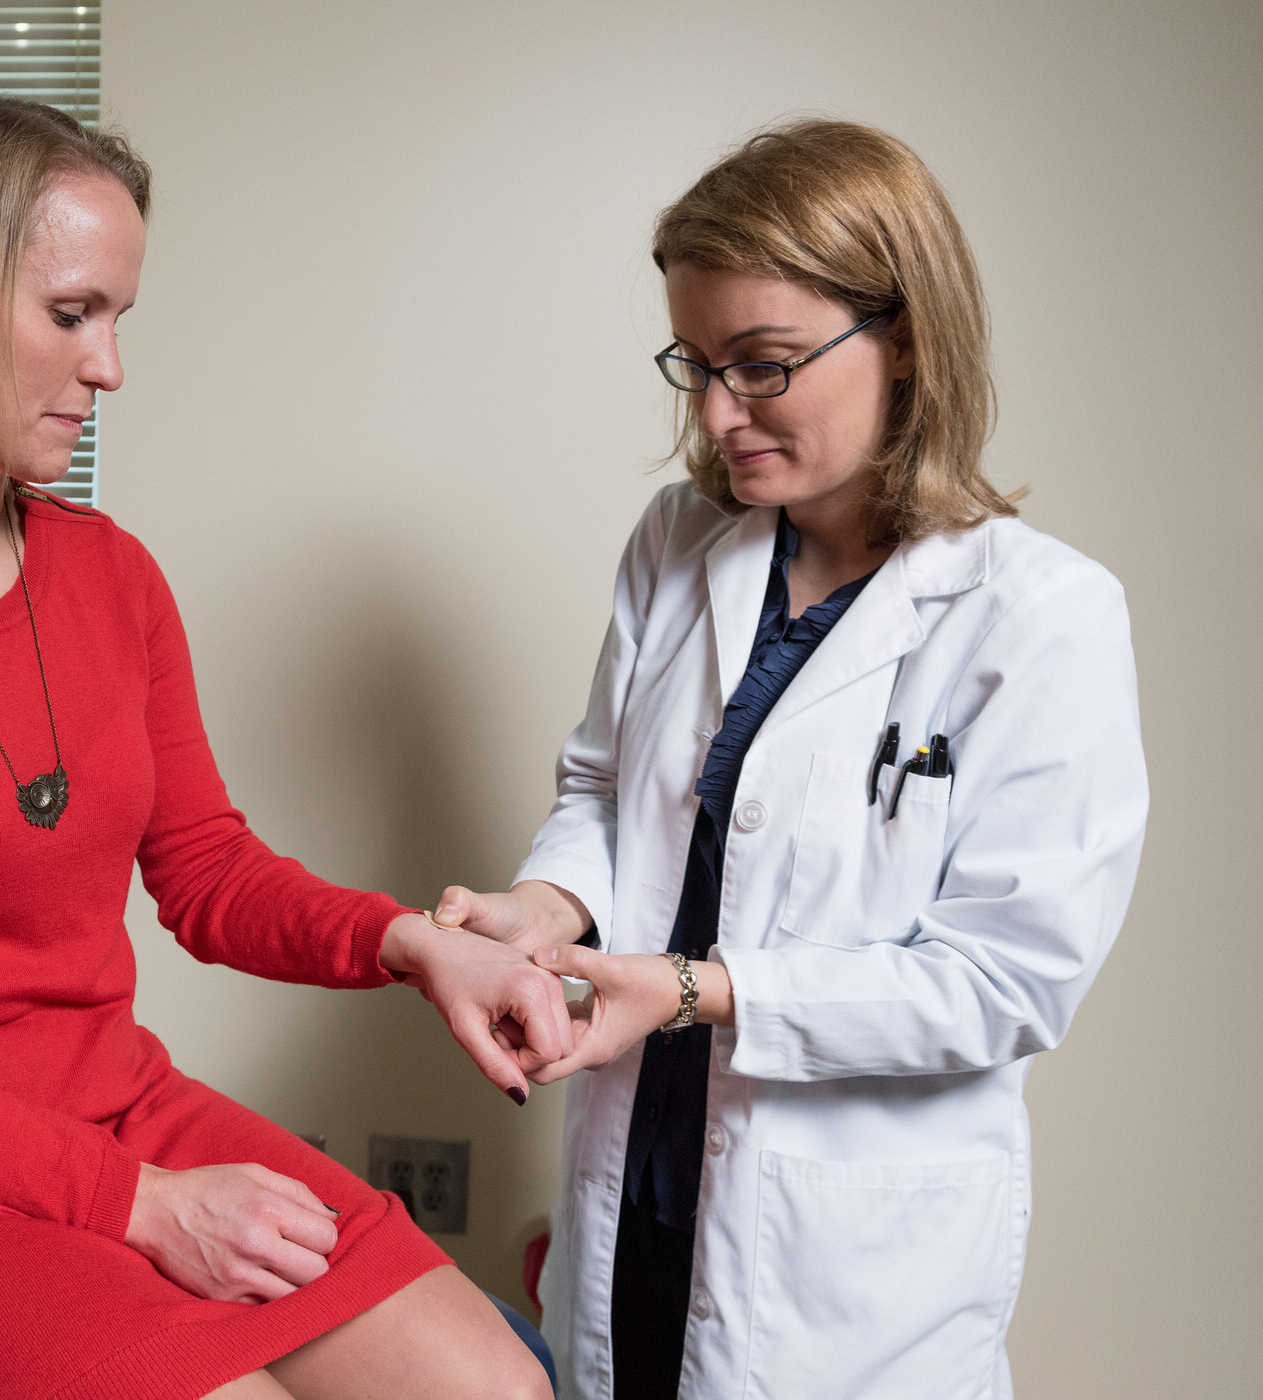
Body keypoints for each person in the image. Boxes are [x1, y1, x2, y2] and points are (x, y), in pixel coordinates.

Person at [0, 90, 560, 1400]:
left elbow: (202, 867)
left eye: (118, 319)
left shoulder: (110, 576)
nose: (110, 369)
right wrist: (140, 1207)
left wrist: (409, 942)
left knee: (497, 1389)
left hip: (110, 1109)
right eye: (72, 314)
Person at [436, 120, 1148, 1400]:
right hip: (636, 1172)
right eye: (695, 366)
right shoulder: (676, 539)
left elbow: (1007, 978)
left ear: (907, 338)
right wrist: (551, 902)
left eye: (760, 367)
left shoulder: (1039, 615)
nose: (715, 416)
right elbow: (601, 784)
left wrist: (703, 990)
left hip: (846, 1262)